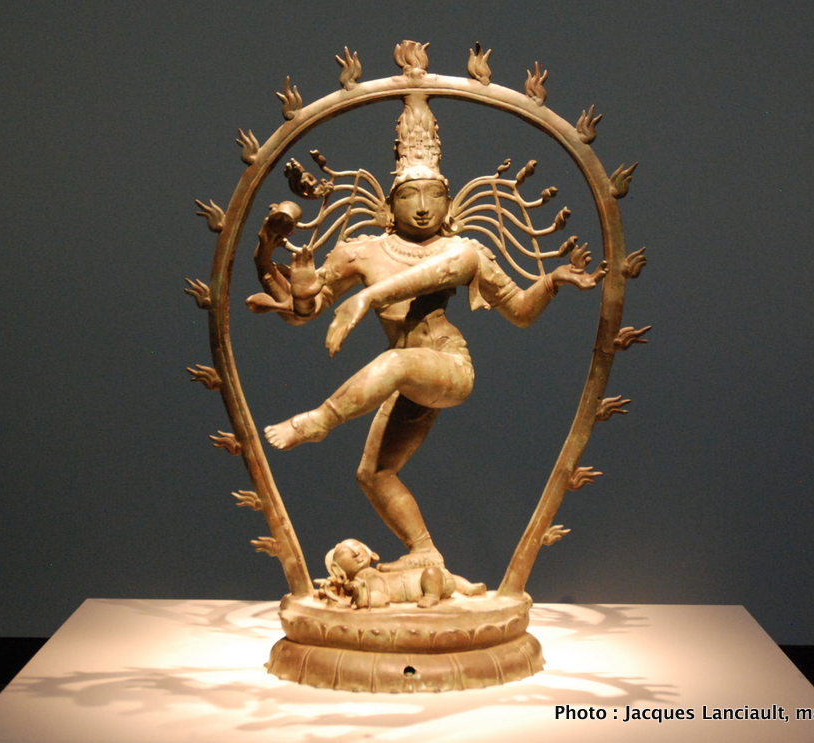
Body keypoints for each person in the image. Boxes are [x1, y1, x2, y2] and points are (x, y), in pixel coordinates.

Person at [246, 95, 605, 572]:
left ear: (449, 202)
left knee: (396, 364)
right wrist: (276, 266)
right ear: (388, 204)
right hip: (403, 378)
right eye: (409, 196)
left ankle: (318, 421)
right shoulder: (362, 252)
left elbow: (519, 311)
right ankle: (424, 552)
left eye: (434, 195)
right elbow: (302, 313)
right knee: (375, 473)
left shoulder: (463, 251)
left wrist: (552, 281)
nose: (421, 207)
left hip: (447, 365)